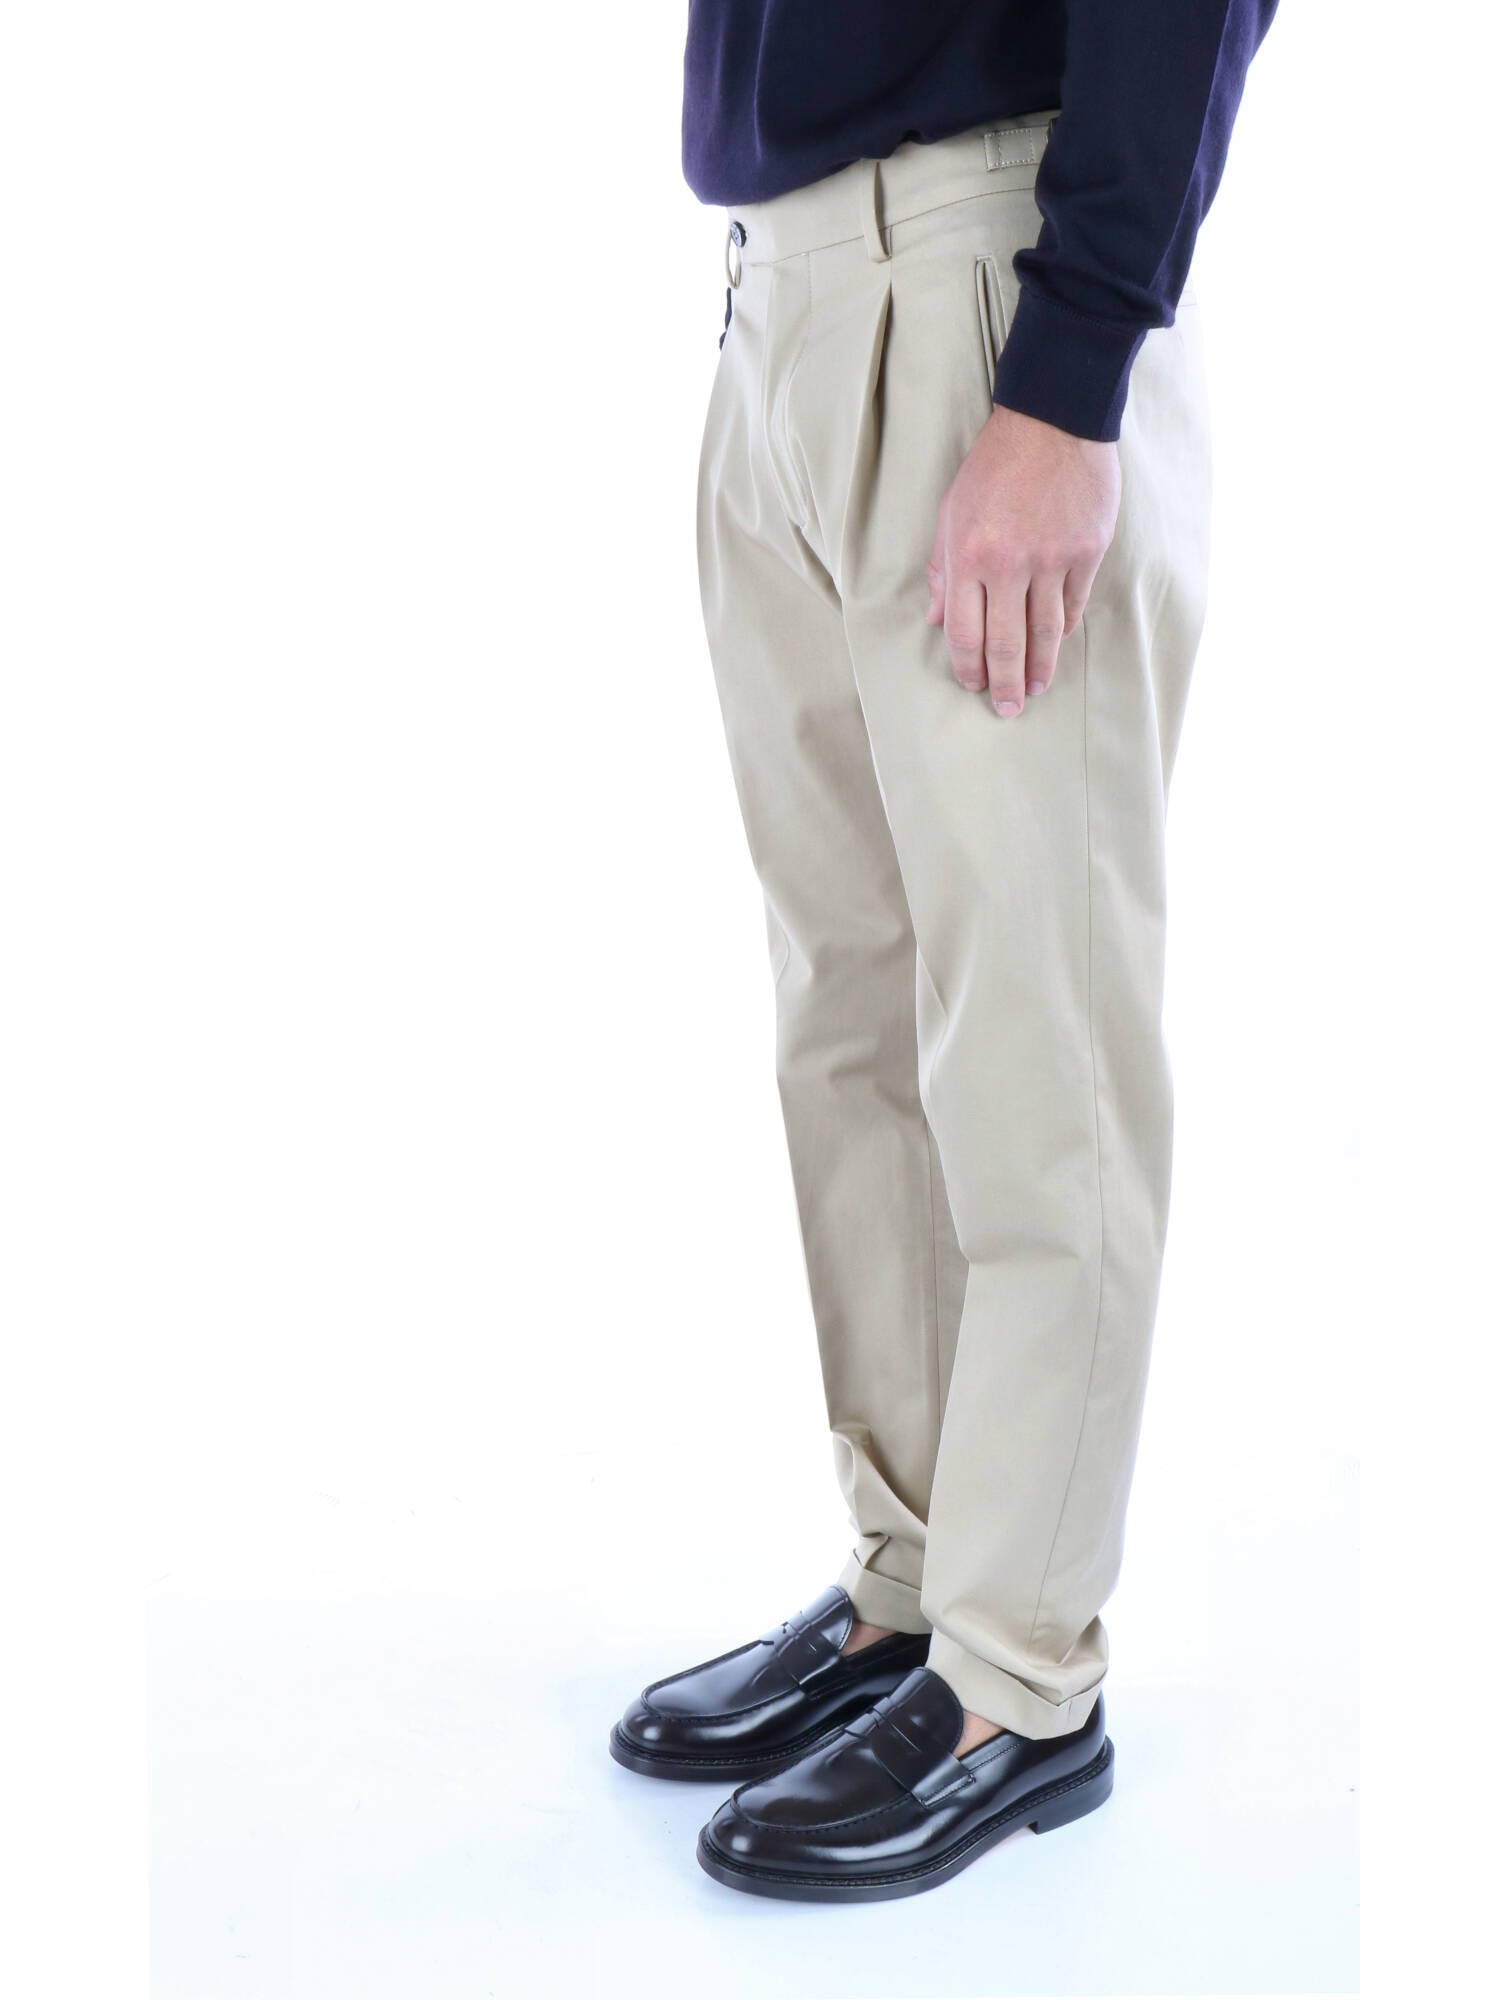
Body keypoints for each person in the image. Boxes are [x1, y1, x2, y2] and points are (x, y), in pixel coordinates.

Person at [611, 0, 1279, 1902]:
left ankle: (1017, 1673)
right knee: (850, 1016)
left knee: (1034, 1033)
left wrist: (1068, 378)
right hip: (784, 288)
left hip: (989, 288)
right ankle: (914, 1580)